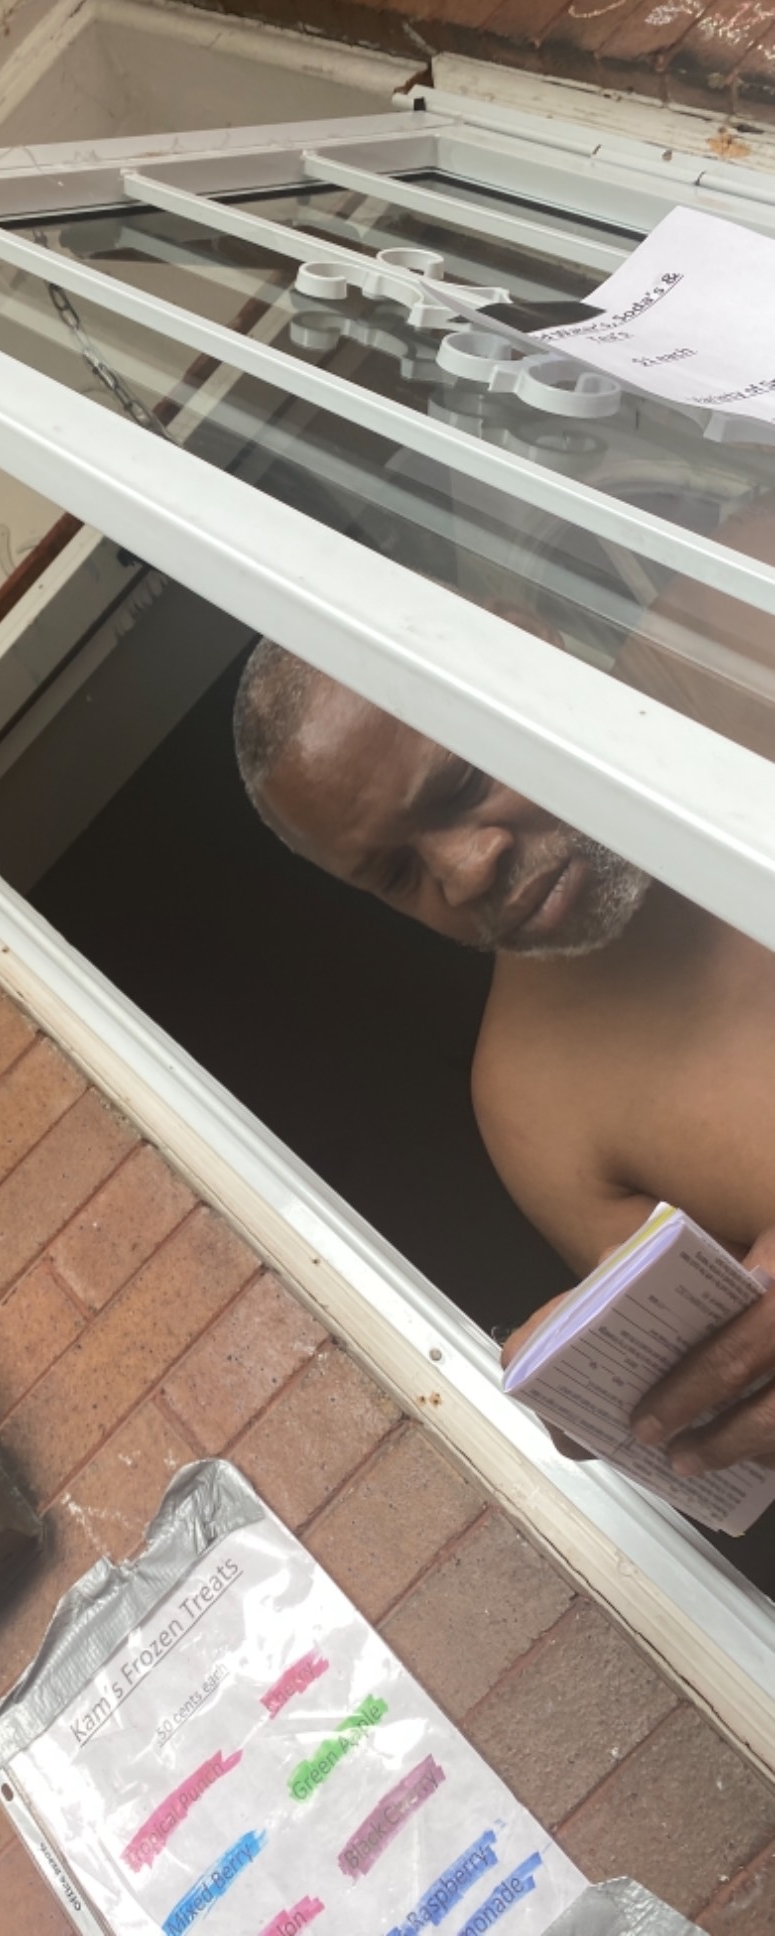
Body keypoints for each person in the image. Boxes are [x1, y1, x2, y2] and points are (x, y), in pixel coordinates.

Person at [232, 630, 775, 1481]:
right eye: (395, 874)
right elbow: (744, 1412)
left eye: (461, 783)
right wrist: (661, 1405)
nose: (465, 872)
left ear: (534, 642)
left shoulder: (733, 635)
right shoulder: (534, 1101)